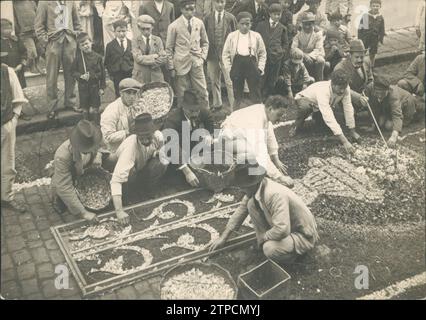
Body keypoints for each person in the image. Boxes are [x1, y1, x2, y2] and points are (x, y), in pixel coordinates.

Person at [209, 160, 319, 264]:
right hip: (289, 228)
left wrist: (264, 237)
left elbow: (282, 229)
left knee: (269, 249)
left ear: (250, 184)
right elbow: (241, 211)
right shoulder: (257, 188)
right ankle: (264, 244)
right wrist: (223, 238)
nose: (241, 190)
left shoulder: (274, 195)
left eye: (242, 187)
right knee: (250, 205)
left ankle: (295, 258)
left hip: (302, 234)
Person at [219, 95, 294, 187]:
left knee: (254, 148)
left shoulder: (263, 111)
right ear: (271, 109)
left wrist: (275, 159)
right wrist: (279, 177)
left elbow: (270, 136)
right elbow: (260, 152)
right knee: (253, 152)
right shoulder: (255, 120)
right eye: (279, 115)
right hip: (227, 142)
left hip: (236, 137)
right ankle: (235, 171)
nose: (280, 119)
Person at [110, 113, 168, 225]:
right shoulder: (130, 147)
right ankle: (128, 197)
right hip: (126, 174)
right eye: (142, 137)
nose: (146, 140)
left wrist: (156, 153)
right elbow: (115, 180)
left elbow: (161, 151)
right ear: (136, 135)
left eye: (148, 136)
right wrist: (119, 211)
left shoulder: (158, 137)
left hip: (142, 167)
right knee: (130, 171)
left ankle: (148, 190)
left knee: (162, 162)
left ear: (153, 132)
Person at [291, 69, 361, 154]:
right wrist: (345, 141)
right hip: (305, 99)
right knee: (304, 108)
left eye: (344, 88)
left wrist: (352, 131)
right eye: (340, 88)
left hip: (323, 105)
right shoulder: (323, 91)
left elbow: (348, 107)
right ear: (332, 84)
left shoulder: (345, 88)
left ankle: (317, 117)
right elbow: (328, 116)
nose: (342, 91)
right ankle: (296, 125)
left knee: (331, 125)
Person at [34, 0, 82, 119]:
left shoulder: (71, 2)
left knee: (71, 75)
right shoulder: (44, 3)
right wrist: (46, 42)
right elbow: (38, 26)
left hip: (70, 42)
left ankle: (70, 102)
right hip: (53, 43)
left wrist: (76, 36)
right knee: (51, 77)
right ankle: (52, 107)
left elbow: (77, 21)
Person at [51, 120, 103, 222]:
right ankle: (56, 197)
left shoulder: (94, 136)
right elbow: (64, 186)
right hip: (69, 177)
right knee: (63, 198)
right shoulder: (62, 156)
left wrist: (99, 155)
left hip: (84, 169)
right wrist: (84, 213)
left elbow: (103, 146)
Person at [162, 90, 215, 187]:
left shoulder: (200, 111)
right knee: (178, 180)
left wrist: (209, 135)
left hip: (191, 142)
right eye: (191, 111)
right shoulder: (173, 120)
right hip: (176, 149)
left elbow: (209, 117)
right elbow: (171, 147)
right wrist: (187, 172)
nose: (195, 114)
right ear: (183, 107)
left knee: (213, 144)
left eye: (197, 110)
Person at [166, 0, 210, 109]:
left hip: (196, 62)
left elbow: (205, 43)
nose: (190, 12)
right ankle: (183, 120)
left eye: (192, 9)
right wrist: (171, 67)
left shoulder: (199, 23)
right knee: (182, 94)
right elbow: (169, 49)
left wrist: (203, 58)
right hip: (180, 64)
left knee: (203, 91)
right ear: (181, 9)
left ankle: (205, 116)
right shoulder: (173, 26)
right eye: (187, 9)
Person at [1, 52, 29, 213]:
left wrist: (14, 119)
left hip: (5, 124)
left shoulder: (7, 71)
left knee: (7, 162)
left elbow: (18, 97)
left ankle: (6, 197)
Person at [363, 76, 424, 148]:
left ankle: (414, 116)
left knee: (388, 126)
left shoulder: (394, 96)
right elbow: (371, 105)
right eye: (377, 93)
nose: (379, 96)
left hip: (407, 105)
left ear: (388, 90)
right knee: (380, 123)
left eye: (382, 93)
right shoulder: (370, 87)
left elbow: (397, 115)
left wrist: (394, 136)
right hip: (388, 107)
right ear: (374, 88)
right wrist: (373, 125)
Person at [222, 11, 267, 109]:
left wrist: (260, 68)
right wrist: (229, 69)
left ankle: (258, 113)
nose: (245, 27)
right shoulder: (232, 36)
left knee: (255, 93)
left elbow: (262, 53)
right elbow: (225, 54)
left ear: (251, 24)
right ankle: (236, 113)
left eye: (247, 24)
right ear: (237, 24)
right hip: (237, 64)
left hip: (251, 64)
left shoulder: (256, 36)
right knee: (237, 94)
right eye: (242, 24)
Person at [204, 0, 237, 111]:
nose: (220, 5)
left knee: (229, 81)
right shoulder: (208, 18)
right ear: (213, 2)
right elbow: (204, 37)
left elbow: (235, 36)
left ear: (225, 2)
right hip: (212, 54)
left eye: (222, 2)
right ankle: (217, 104)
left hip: (226, 55)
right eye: (217, 2)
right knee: (214, 80)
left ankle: (234, 107)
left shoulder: (231, 18)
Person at [71, 32, 106, 124]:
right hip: (83, 88)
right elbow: (73, 72)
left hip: (95, 87)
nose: (85, 46)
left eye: (86, 43)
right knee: (85, 109)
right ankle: (86, 127)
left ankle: (97, 125)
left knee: (95, 108)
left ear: (91, 42)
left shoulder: (98, 57)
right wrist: (80, 76)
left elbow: (102, 74)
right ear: (80, 47)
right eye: (82, 45)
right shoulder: (78, 59)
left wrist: (102, 87)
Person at [100, 78, 142, 153]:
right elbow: (106, 137)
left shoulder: (137, 105)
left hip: (135, 144)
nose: (132, 96)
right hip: (117, 150)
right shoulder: (112, 110)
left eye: (134, 93)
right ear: (121, 93)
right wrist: (127, 132)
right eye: (128, 93)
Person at [256, 3, 289, 98]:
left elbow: (285, 43)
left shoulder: (283, 28)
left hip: (276, 58)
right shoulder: (261, 25)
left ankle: (268, 98)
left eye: (279, 14)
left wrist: (281, 52)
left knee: (272, 80)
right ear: (270, 14)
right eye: (275, 14)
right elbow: (256, 39)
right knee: (261, 77)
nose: (277, 16)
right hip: (263, 57)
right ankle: (259, 98)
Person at [334, 39, 373, 113]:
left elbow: (370, 80)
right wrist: (358, 97)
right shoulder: (340, 68)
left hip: (365, 97)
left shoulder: (367, 62)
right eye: (357, 57)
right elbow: (342, 89)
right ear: (350, 55)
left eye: (362, 57)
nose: (359, 60)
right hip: (347, 99)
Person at [132, 15, 168, 85]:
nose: (146, 31)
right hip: (140, 76)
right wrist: (155, 56)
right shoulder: (135, 40)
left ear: (152, 27)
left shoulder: (158, 40)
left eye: (148, 29)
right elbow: (138, 58)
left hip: (155, 75)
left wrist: (146, 60)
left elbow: (163, 58)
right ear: (139, 28)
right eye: (143, 29)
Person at [12, 0, 45, 75]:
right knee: (32, 50)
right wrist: (17, 30)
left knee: (40, 48)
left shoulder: (31, 2)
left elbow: (38, 14)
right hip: (24, 32)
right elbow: (14, 19)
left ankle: (37, 64)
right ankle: (31, 66)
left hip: (36, 29)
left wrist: (40, 26)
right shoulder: (14, 4)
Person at [104, 19, 134, 98]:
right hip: (117, 73)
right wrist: (111, 73)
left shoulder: (131, 43)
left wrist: (133, 69)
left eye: (123, 31)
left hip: (129, 71)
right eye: (119, 31)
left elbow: (134, 58)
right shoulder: (110, 45)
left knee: (129, 90)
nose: (121, 34)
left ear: (127, 31)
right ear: (114, 32)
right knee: (119, 92)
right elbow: (107, 61)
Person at [292, 12, 325, 81]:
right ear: (302, 24)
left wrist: (309, 56)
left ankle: (319, 81)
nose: (307, 27)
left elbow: (318, 49)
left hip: (315, 55)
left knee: (321, 61)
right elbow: (293, 48)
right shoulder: (298, 35)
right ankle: (302, 81)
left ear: (313, 24)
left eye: (309, 24)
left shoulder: (318, 34)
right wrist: (304, 55)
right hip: (302, 55)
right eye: (305, 24)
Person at [0, 19, 28, 89]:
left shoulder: (16, 40)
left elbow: (24, 53)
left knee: (18, 88)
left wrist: (21, 64)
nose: (9, 30)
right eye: (6, 29)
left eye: (10, 28)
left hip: (18, 70)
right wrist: (2, 66)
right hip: (4, 73)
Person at [357, 0, 385, 68]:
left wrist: (380, 40)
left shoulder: (380, 17)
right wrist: (360, 39)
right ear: (370, 6)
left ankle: (371, 67)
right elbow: (360, 29)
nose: (375, 7)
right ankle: (361, 66)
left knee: (373, 53)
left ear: (380, 6)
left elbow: (382, 30)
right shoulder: (366, 16)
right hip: (365, 38)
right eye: (373, 6)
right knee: (363, 52)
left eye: (377, 6)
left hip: (375, 38)